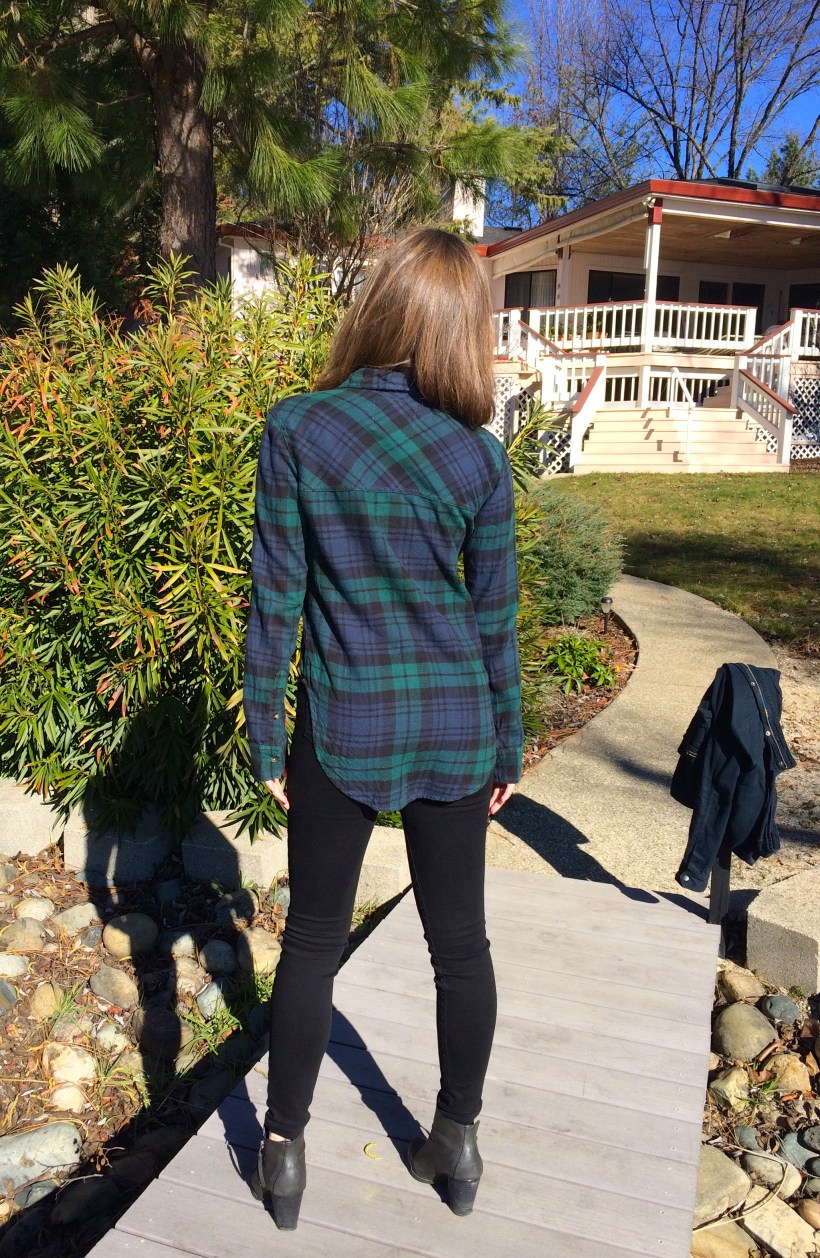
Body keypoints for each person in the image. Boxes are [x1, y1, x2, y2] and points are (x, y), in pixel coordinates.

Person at [243, 226, 523, 1230]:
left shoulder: (300, 430)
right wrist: (507, 748)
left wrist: (264, 735)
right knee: (462, 945)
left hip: (344, 719)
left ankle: (281, 1152)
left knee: (313, 939)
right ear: (461, 331)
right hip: (454, 720)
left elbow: (276, 594)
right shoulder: (478, 460)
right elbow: (494, 618)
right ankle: (456, 1138)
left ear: (379, 308)